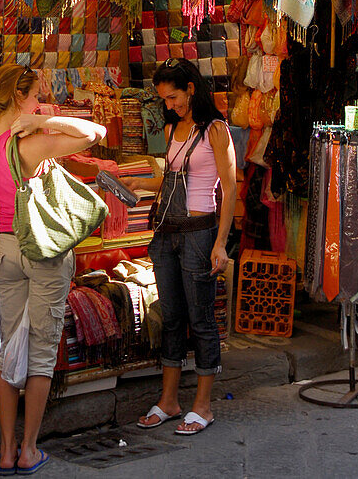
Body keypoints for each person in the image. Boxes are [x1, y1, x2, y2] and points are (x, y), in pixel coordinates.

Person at [0, 65, 106, 476]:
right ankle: (29, 450)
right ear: (18, 99)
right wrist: (44, 121)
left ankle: (6, 451)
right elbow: (94, 133)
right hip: (42, 251)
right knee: (41, 354)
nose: (38, 103)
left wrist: (35, 119)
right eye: (33, 98)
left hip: (6, 249)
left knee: (10, 349)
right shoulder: (31, 144)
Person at [123, 57, 236, 436]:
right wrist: (139, 187)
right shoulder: (175, 128)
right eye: (164, 100)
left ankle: (202, 406)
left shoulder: (216, 129)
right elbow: (170, 180)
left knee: (201, 320)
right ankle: (169, 401)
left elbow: (230, 189)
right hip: (168, 233)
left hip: (200, 234)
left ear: (191, 88)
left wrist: (221, 243)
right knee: (171, 317)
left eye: (173, 97)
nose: (169, 105)